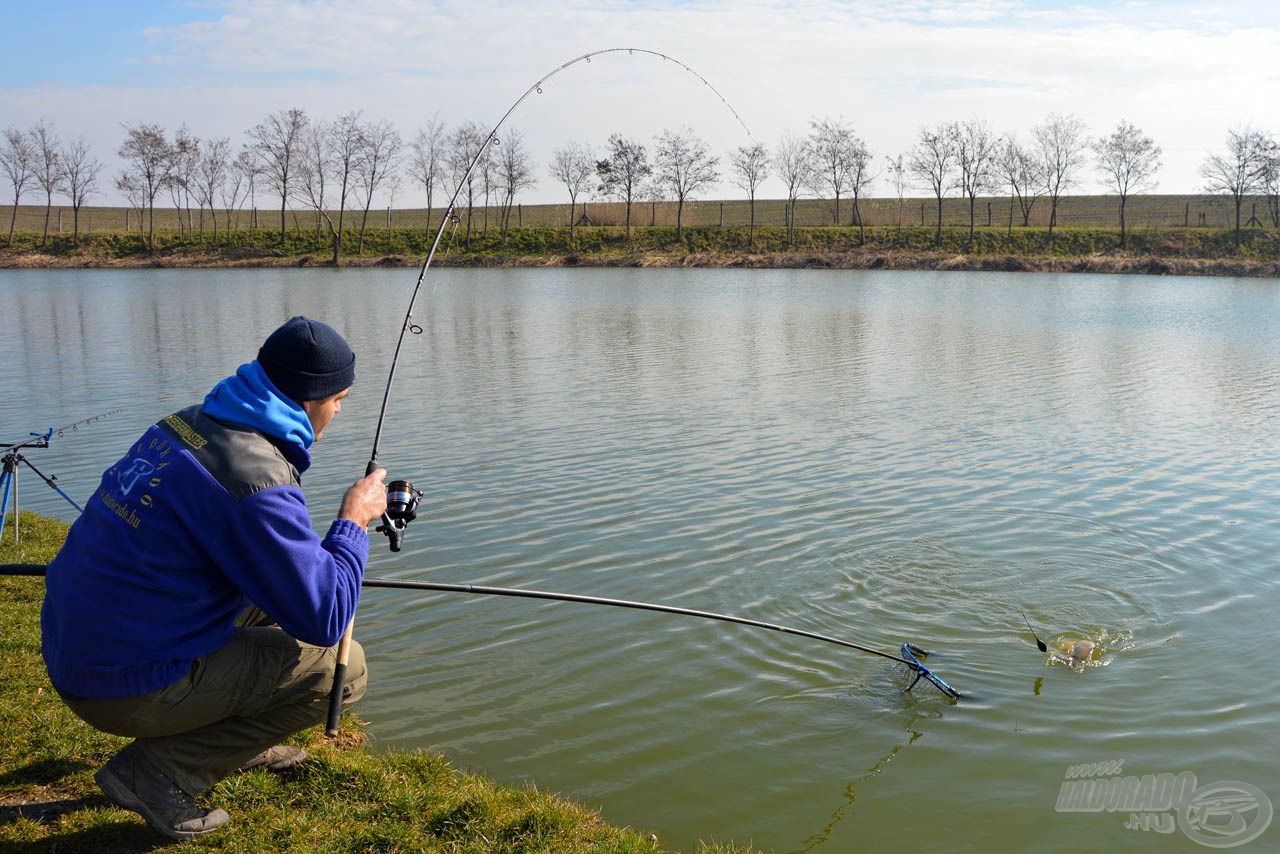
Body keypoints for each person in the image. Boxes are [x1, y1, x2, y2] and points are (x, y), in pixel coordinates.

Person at [40, 315, 387, 840]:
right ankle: (160, 772)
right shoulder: (256, 476)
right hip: (116, 680)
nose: (338, 411)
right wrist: (352, 522)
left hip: (75, 641)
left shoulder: (188, 421)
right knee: (344, 669)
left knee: (279, 601)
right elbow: (326, 615)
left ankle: (231, 737)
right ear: (310, 399)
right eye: (338, 399)